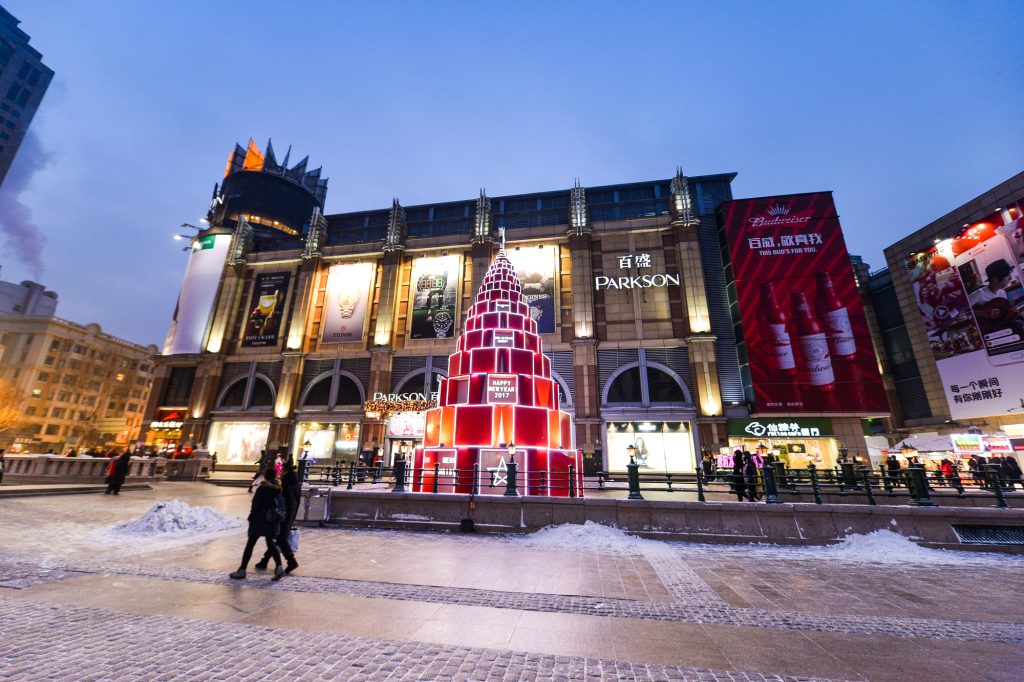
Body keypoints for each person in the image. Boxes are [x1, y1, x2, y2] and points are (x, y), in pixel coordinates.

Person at [230, 466, 285, 580]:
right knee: (271, 544)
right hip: (272, 520)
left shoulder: (262, 489)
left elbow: (256, 506)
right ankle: (279, 567)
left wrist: (251, 517)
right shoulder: (278, 489)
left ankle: (242, 570)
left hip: (260, 520)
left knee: (250, 544)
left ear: (265, 476)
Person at [255, 457, 299, 575]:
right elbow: (297, 501)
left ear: (285, 471)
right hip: (289, 515)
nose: (280, 473)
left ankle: (291, 561)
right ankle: (264, 561)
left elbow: (281, 501)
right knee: (277, 539)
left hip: (283, 516)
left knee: (279, 539)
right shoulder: (295, 484)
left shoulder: (285, 485)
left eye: (282, 471)